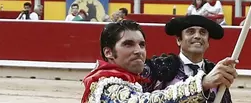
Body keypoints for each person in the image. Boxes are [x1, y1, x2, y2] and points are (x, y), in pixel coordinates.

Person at [81, 20, 238, 103]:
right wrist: (201, 84)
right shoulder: (107, 86)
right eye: (128, 44)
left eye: (142, 44)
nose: (138, 51)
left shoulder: (213, 70)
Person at [141, 15, 233, 103]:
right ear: (179, 40)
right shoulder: (159, 67)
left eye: (203, 32)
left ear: (208, 42)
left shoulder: (214, 71)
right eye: (191, 32)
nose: (197, 36)